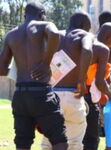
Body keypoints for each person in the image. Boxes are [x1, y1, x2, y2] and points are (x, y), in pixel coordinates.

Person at [0, 2, 68, 150]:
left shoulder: (11, 34)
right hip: (41, 92)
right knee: (59, 141)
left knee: (22, 143)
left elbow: (2, 70)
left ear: (24, 16)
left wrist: (22, 64)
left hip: (20, 95)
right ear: (41, 14)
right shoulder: (44, 25)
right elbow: (55, 34)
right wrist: (45, 64)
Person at [41, 11, 93, 150]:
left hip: (51, 96)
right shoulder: (84, 35)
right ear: (83, 25)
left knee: (48, 143)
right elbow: (87, 51)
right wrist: (81, 81)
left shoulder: (55, 35)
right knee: (74, 144)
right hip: (72, 95)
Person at [87, 22, 111, 150]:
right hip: (88, 98)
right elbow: (100, 82)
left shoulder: (86, 42)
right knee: (91, 140)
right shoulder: (102, 49)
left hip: (75, 93)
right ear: (107, 37)